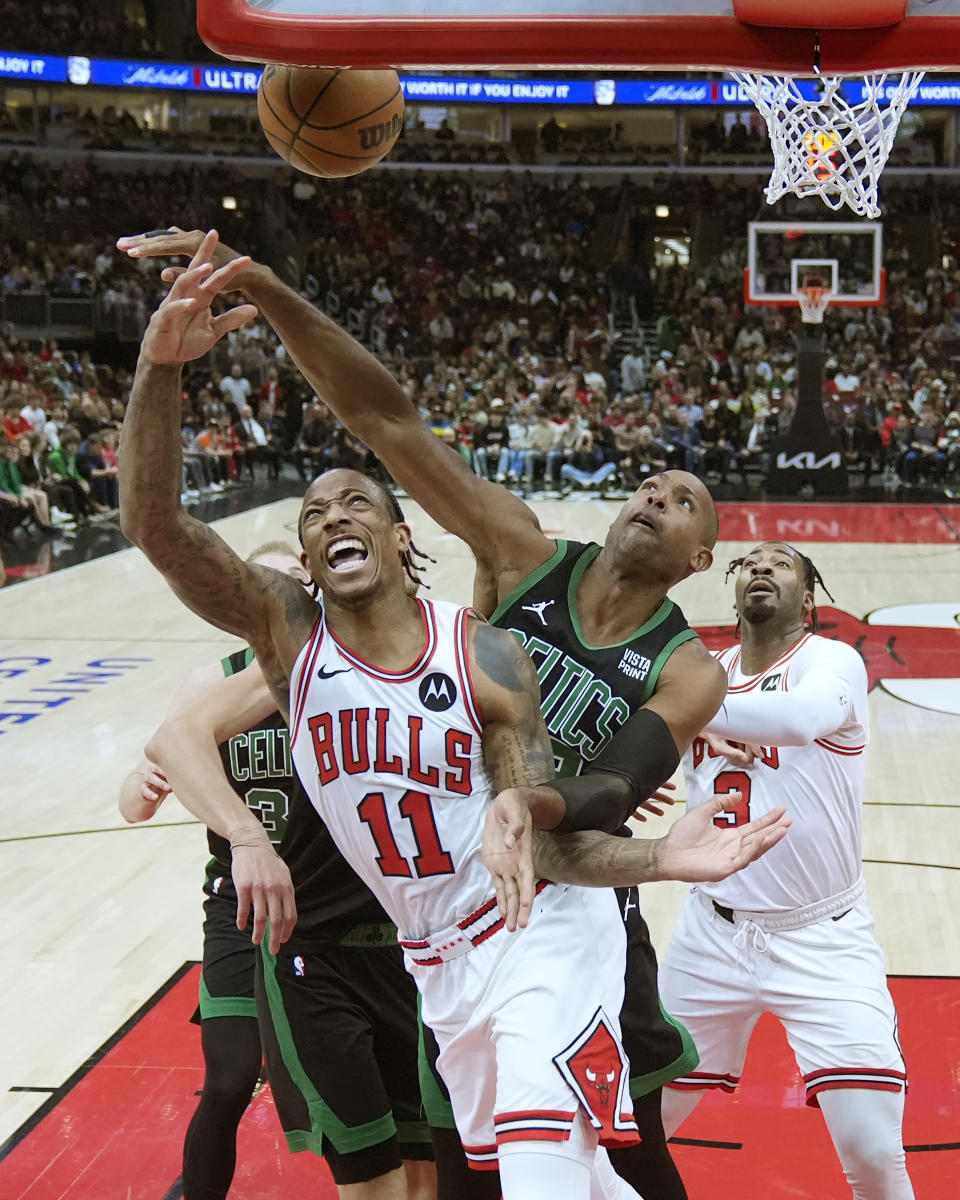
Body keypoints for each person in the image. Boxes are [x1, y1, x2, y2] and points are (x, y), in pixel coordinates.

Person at [118, 237, 786, 1200]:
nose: (654, 497)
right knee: (566, 1175)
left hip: (553, 908)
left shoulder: (516, 657)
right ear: (303, 556)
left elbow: (593, 799)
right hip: (437, 951)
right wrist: (179, 351)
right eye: (315, 511)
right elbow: (335, 440)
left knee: (563, 1161)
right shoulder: (373, 607)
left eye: (682, 499)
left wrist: (644, 852)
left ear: (400, 538)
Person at [120, 541, 434, 1200]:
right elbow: (136, 795)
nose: (285, 588)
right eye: (269, 578)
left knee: (408, 1119)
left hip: (331, 906)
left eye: (296, 576)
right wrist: (146, 783)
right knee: (232, 1076)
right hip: (242, 903)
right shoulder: (215, 682)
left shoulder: (333, 666)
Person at [657, 541, 914, 1200]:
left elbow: (800, 720)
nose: (762, 567)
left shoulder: (832, 661)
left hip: (821, 938)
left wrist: (692, 713)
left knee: (873, 1153)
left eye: (782, 562)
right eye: (749, 562)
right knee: (632, 1126)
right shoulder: (702, 674)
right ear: (734, 588)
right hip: (709, 938)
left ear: (808, 598)